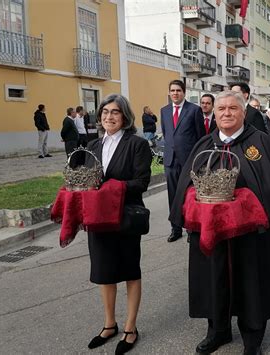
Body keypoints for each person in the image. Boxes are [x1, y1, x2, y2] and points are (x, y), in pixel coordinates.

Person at [169, 90, 270, 355]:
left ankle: (252, 339)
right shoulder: (204, 144)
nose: (226, 113)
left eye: (232, 109)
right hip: (213, 233)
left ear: (244, 112)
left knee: (251, 281)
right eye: (221, 109)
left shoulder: (259, 143)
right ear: (214, 113)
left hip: (250, 235)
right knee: (212, 279)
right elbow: (186, 186)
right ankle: (218, 331)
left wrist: (245, 201)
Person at [86, 94, 151, 355]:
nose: (109, 116)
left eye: (115, 112)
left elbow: (142, 182)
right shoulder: (92, 146)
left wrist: (110, 188)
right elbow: (85, 178)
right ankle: (109, 324)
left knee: (129, 271)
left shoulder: (137, 144)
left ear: (125, 117)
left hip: (125, 218)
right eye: (105, 112)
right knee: (104, 273)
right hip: (99, 219)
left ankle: (130, 327)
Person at [161, 79, 205, 242]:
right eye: (172, 90)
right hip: (170, 161)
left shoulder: (194, 110)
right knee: (173, 195)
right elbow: (167, 134)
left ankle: (191, 228)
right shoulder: (164, 111)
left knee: (189, 194)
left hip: (189, 161)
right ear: (169, 92)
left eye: (178, 90)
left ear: (184, 92)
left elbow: (200, 137)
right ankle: (176, 228)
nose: (175, 93)